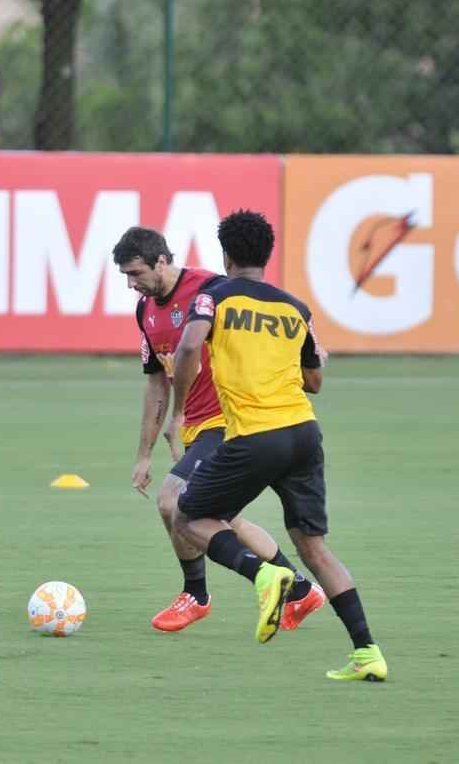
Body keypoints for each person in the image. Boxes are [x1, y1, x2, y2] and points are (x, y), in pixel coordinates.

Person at [168, 209, 387, 682]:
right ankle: (368, 651)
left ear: (225, 254)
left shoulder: (213, 296)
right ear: (267, 256)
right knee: (315, 549)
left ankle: (263, 574)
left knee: (189, 515)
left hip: (255, 434)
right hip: (304, 435)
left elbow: (188, 348)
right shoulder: (295, 308)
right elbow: (314, 380)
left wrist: (180, 409)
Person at [111, 226, 326, 633]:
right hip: (197, 428)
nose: (131, 284)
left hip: (231, 420)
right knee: (219, 519)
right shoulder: (146, 312)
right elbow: (158, 382)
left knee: (172, 502)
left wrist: (306, 353)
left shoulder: (212, 289)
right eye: (125, 275)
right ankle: (300, 589)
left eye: (136, 273)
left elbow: (268, 314)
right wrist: (143, 453)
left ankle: (197, 594)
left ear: (161, 261)